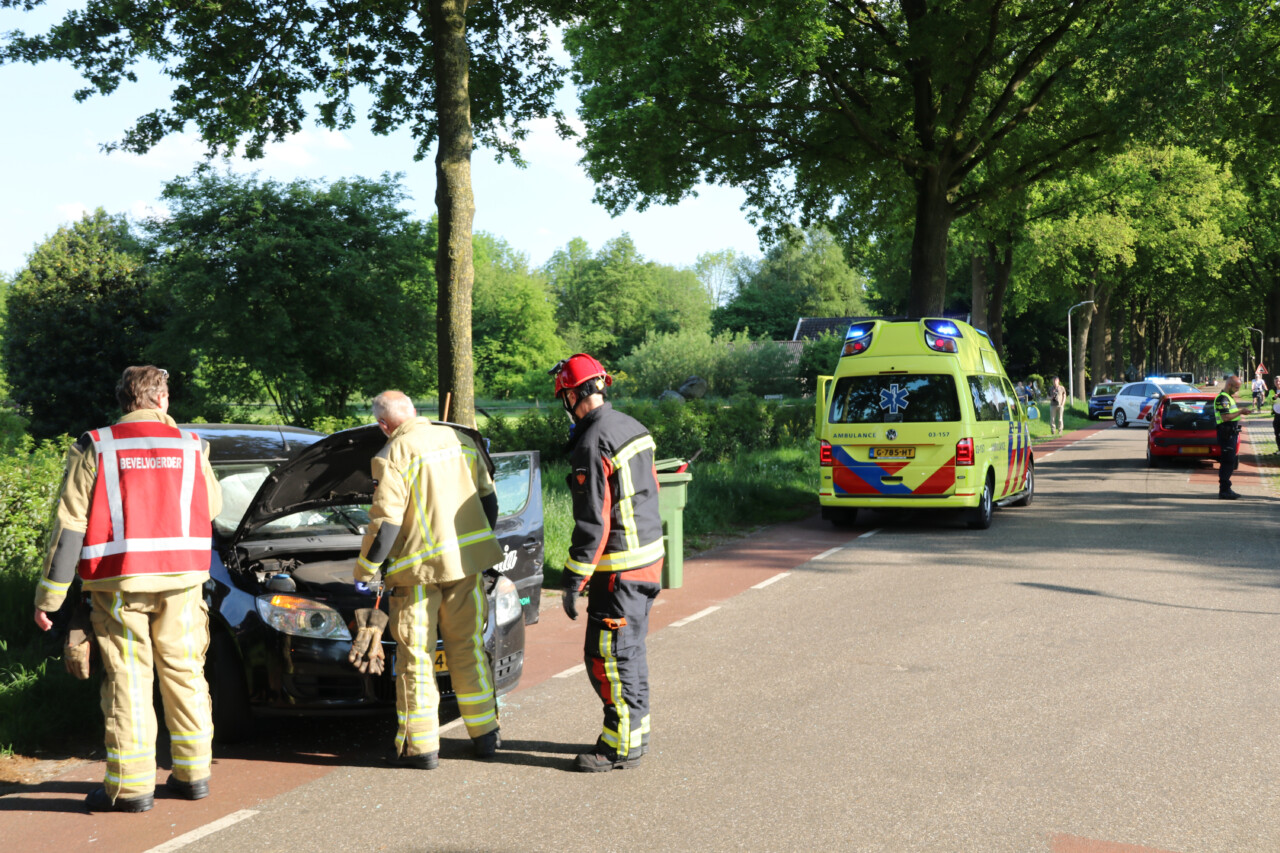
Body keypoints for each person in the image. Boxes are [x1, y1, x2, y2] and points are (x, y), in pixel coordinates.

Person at [32, 366, 223, 813]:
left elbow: (70, 526)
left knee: (129, 679)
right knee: (185, 673)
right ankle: (193, 775)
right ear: (161, 400)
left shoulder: (96, 444)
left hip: (119, 583)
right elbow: (212, 506)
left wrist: (50, 598)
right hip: (182, 582)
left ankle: (132, 788)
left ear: (124, 401)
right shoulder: (192, 445)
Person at [355, 390, 503, 768]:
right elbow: (489, 503)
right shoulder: (463, 440)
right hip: (465, 568)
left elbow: (385, 525)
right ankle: (486, 736)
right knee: (467, 647)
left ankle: (422, 750)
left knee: (417, 658)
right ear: (414, 412)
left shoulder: (393, 454)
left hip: (417, 576)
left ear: (383, 426)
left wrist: (365, 571)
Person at [552, 353, 664, 772]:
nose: (565, 404)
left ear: (576, 395)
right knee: (628, 655)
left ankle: (619, 748)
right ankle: (634, 734)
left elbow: (593, 520)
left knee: (608, 658)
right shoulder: (632, 426)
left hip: (619, 571)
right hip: (648, 561)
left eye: (564, 395)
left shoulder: (592, 440)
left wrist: (572, 579)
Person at [1214, 374, 1251, 499]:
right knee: (1227, 462)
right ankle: (1224, 490)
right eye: (1236, 387)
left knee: (1230, 461)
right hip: (1226, 434)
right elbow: (1225, 417)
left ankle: (1226, 488)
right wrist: (1241, 411)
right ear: (1229, 385)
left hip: (1230, 433)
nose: (1237, 390)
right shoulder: (1223, 399)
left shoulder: (1228, 397)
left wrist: (1241, 411)